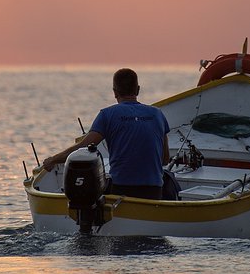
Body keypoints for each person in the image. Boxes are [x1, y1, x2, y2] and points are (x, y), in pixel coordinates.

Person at [41, 68, 170, 199]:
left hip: (122, 190)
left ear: (115, 92)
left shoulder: (107, 115)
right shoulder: (157, 114)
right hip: (154, 191)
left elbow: (83, 148)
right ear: (137, 90)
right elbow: (165, 159)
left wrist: (53, 160)